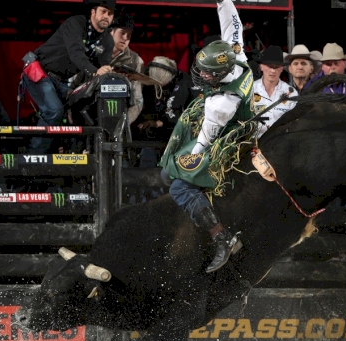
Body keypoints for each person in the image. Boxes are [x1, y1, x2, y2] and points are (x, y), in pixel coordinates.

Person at [159, 0, 253, 273]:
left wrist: (184, 165)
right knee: (171, 173)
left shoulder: (220, 104)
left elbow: (203, 143)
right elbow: (232, 24)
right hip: (240, 124)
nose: (201, 74)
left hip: (228, 139)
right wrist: (223, 1)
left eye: (207, 73)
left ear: (221, 72)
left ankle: (221, 236)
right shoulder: (238, 55)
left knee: (177, 185)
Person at [23, 0, 115, 126]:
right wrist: (95, 71)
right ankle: (34, 146)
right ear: (93, 12)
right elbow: (76, 53)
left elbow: (103, 65)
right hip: (41, 71)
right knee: (54, 111)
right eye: (103, 11)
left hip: (63, 81)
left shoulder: (107, 40)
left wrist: (109, 73)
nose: (106, 16)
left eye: (110, 14)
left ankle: (44, 143)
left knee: (62, 118)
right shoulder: (75, 23)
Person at [252, 45, 297, 138]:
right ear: (261, 67)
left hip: (281, 143)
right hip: (254, 144)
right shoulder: (250, 90)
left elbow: (294, 124)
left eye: (276, 67)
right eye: (269, 66)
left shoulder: (292, 93)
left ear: (281, 69)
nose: (272, 70)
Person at [110, 14, 144, 126]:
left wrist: (123, 123)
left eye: (129, 35)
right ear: (112, 32)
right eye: (122, 33)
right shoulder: (96, 52)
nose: (125, 38)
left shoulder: (135, 61)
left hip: (118, 115)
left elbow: (137, 100)